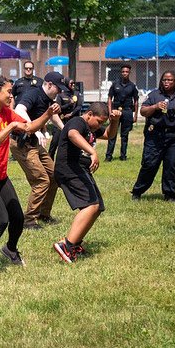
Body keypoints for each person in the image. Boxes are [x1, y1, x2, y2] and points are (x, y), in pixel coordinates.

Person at [0, 70, 59, 278]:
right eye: (9, 92)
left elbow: (28, 127)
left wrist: (47, 115)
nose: (12, 96)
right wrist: (10, 127)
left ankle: (10, 249)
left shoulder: (7, 113)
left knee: (17, 217)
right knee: (0, 220)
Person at [53, 102, 120, 263]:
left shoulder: (91, 128)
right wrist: (92, 152)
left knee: (97, 207)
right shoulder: (78, 122)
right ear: (89, 114)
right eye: (99, 121)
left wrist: (114, 121)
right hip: (69, 169)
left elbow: (109, 135)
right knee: (91, 205)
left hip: (80, 169)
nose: (100, 126)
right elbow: (72, 135)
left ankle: (74, 243)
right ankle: (66, 245)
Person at [10, 71, 66, 229]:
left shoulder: (49, 99)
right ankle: (29, 221)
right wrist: (34, 130)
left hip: (34, 144)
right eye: (58, 88)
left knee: (55, 176)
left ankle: (44, 214)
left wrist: (65, 129)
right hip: (23, 145)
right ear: (49, 85)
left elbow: (51, 116)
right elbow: (19, 110)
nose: (60, 92)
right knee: (42, 180)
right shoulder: (33, 93)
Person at [131, 70, 175, 202]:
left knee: (172, 165)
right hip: (155, 135)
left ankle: (169, 194)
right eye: (164, 80)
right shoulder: (154, 95)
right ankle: (137, 191)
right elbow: (143, 111)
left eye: (170, 80)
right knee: (150, 164)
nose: (167, 82)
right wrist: (156, 107)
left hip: (174, 136)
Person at [105, 64, 138, 162]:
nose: (125, 73)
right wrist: (110, 112)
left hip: (127, 111)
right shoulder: (115, 84)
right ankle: (108, 156)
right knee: (112, 134)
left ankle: (123, 156)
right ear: (121, 72)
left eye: (127, 72)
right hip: (115, 110)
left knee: (125, 135)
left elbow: (136, 101)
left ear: (129, 73)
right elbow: (110, 98)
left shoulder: (132, 86)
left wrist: (135, 115)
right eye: (123, 71)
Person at [47, 77, 84, 159]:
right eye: (71, 83)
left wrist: (71, 114)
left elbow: (79, 106)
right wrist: (68, 104)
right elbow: (58, 108)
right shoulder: (61, 95)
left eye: (74, 83)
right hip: (61, 121)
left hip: (73, 121)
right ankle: (50, 157)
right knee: (55, 141)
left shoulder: (77, 94)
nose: (73, 85)